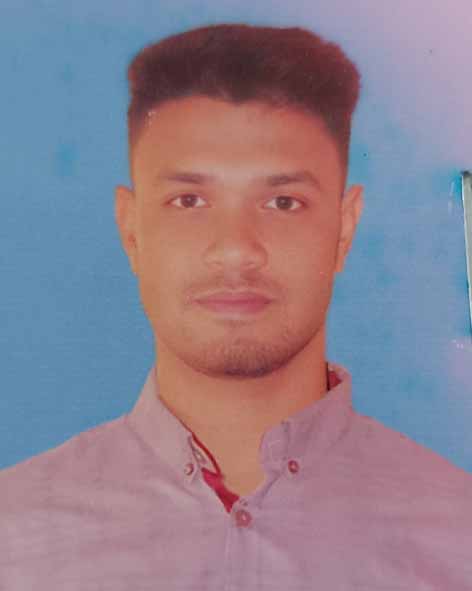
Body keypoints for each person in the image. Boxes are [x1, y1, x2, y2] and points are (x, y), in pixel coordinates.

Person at [1, 22, 471, 590]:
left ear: (344, 229)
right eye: (189, 200)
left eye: (283, 202)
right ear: (132, 230)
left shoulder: (458, 537)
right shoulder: (14, 535)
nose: (235, 249)